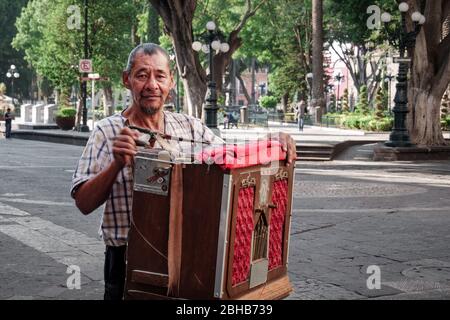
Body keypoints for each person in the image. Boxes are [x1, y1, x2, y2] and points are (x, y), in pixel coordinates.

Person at [70, 43, 297, 300]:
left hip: (189, 257)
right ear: (127, 80)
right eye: (142, 75)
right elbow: (83, 203)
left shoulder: (189, 127)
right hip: (126, 260)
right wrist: (116, 165)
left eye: (160, 75)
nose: (151, 85)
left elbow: (232, 161)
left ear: (171, 82)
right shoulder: (106, 131)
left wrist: (271, 139)